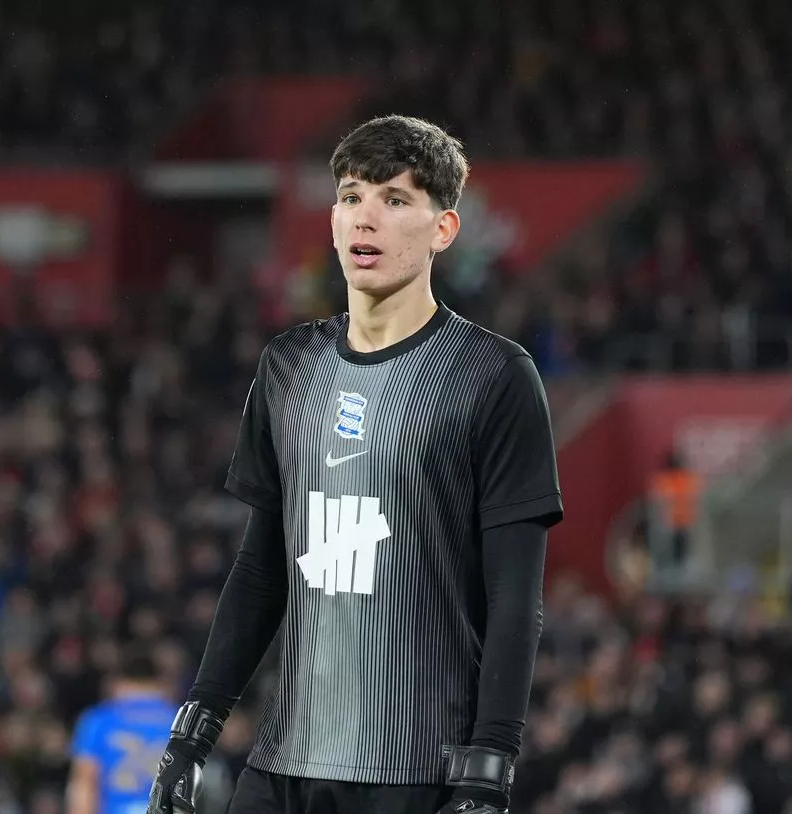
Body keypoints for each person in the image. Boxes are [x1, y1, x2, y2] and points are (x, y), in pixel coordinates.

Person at [147, 115, 563, 814]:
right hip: (283, 767)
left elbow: (516, 598)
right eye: (350, 196)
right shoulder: (287, 368)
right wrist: (191, 734)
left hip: (418, 771)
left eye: (394, 200)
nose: (364, 217)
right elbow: (260, 572)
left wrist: (490, 769)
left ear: (443, 230)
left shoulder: (493, 375)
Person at [68, 650, 178, 814]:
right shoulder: (179, 719)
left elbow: (85, 781)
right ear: (160, 682)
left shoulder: (99, 720)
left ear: (117, 682)